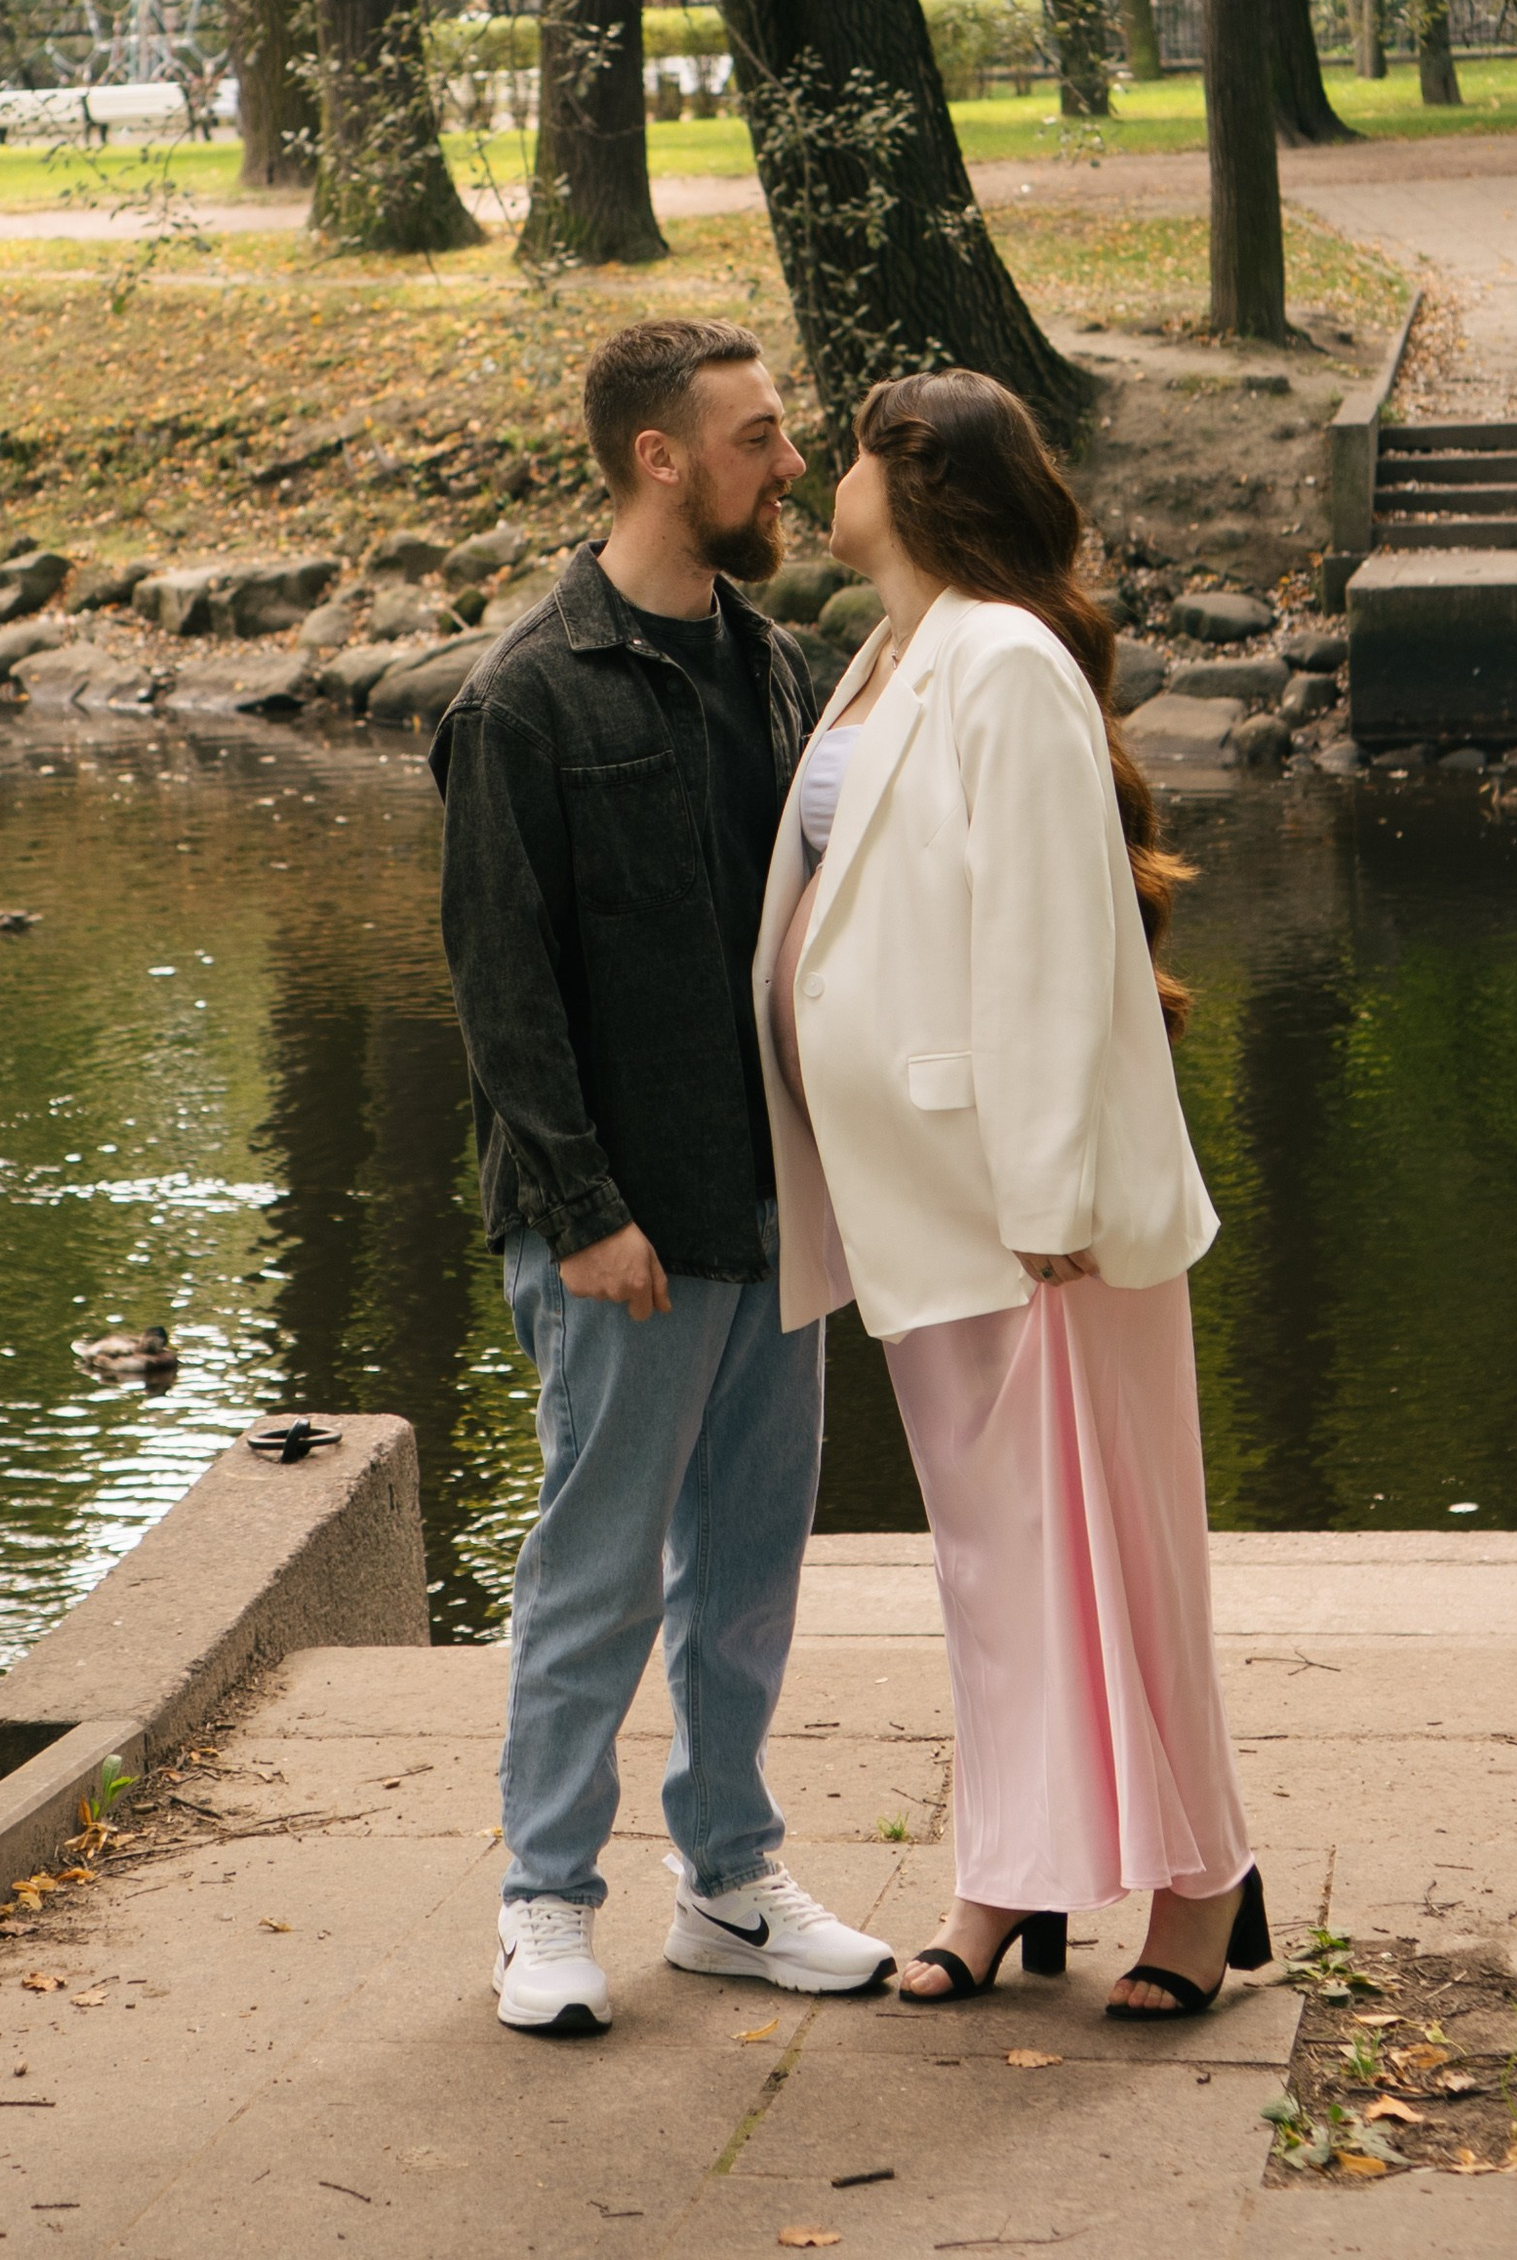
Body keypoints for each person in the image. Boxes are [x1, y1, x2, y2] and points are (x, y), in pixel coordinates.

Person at [754, 369, 1268, 2020]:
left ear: (912, 479)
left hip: (1033, 1214)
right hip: (920, 1195)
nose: (820, 476)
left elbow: (1052, 933)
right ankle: (1012, 1870)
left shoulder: (1005, 660)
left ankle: (1201, 1885)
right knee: (993, 1568)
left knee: (1114, 1550)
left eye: (846, 451)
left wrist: (1049, 1192)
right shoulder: (892, 651)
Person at [431, 317, 895, 2039]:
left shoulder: (777, 668)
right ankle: (545, 1903)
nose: (791, 465)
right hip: (621, 1232)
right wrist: (586, 1214)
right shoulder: (522, 700)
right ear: (661, 457)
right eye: (759, 437)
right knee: (599, 1574)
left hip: (781, 1211)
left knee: (749, 1573)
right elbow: (504, 993)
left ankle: (730, 1885)